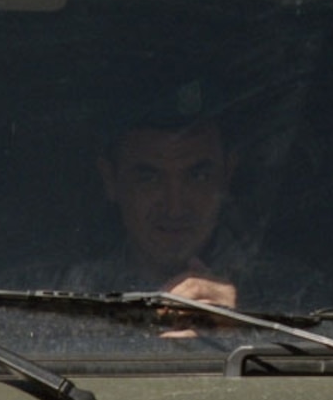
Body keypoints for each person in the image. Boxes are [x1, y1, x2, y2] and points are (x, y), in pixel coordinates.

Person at [58, 78, 260, 310]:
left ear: (227, 177)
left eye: (197, 177)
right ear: (111, 180)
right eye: (149, 179)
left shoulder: (299, 301)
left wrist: (244, 330)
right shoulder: (61, 299)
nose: (175, 207)